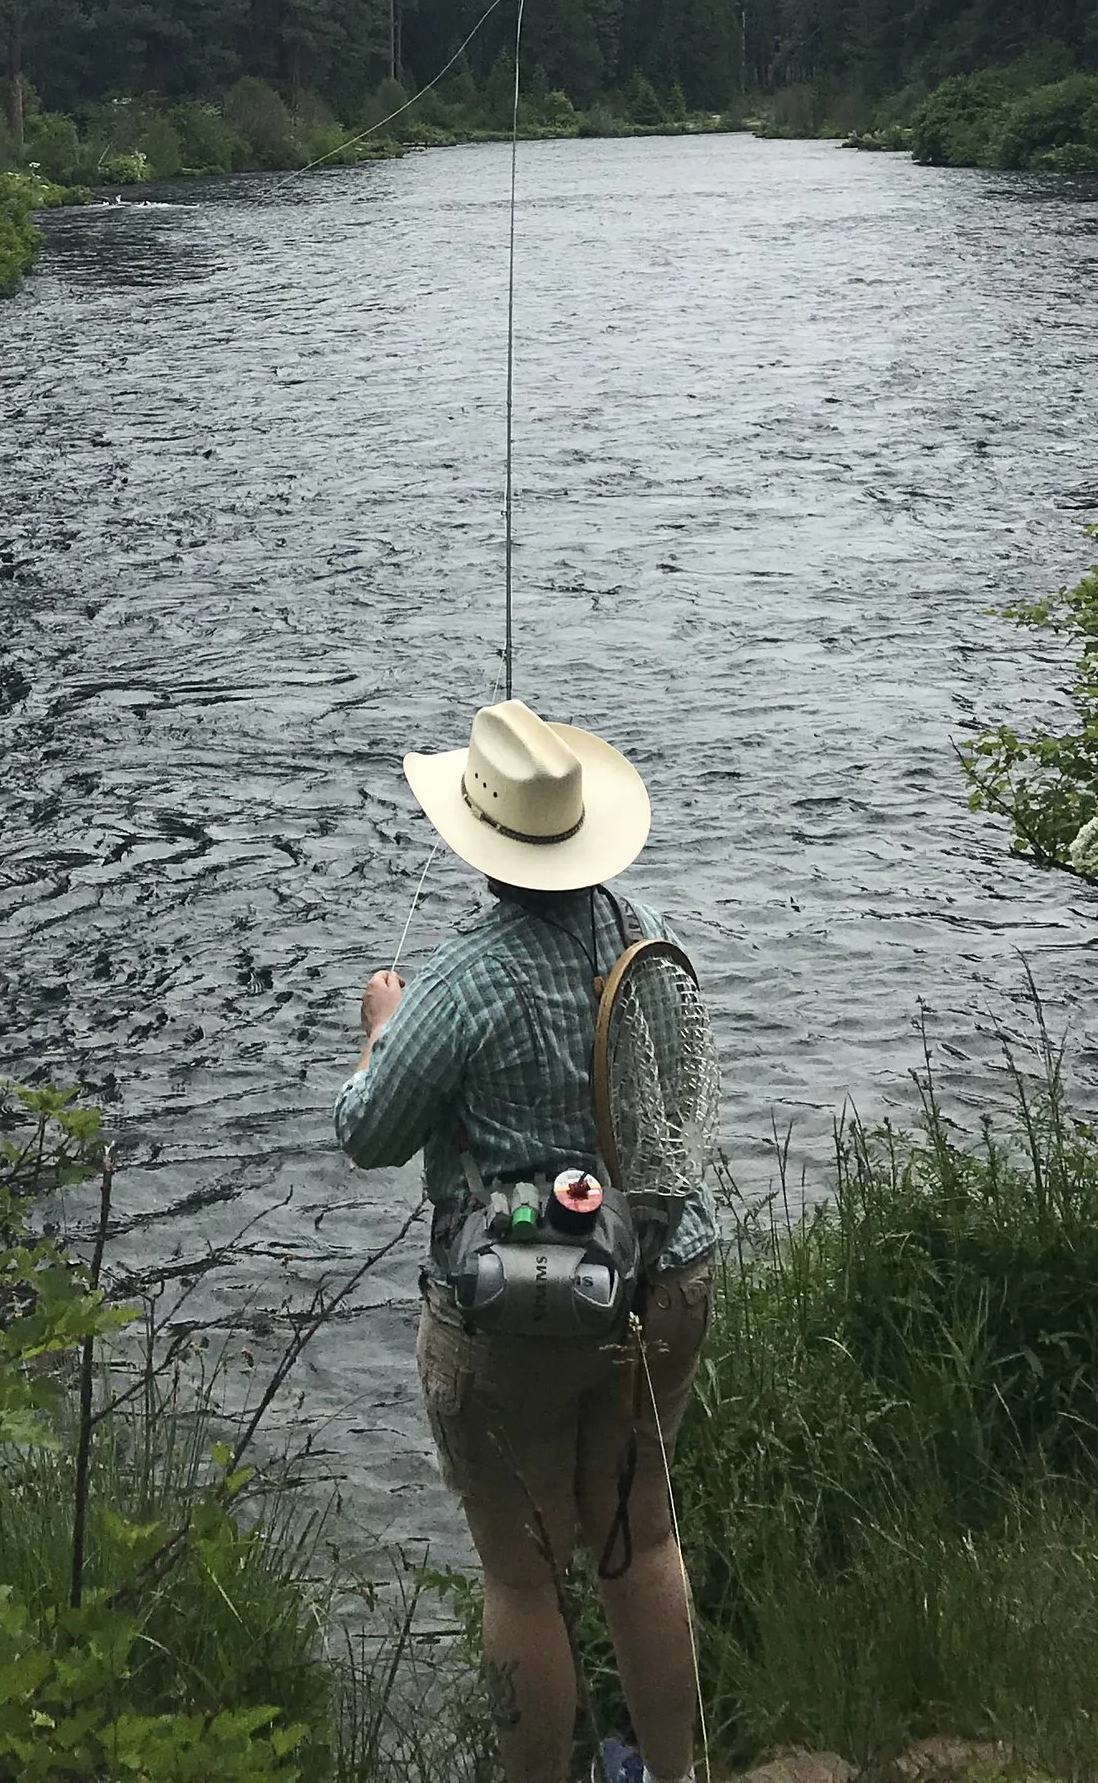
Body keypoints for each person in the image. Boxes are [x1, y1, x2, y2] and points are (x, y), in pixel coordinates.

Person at [335, 697, 713, 1783]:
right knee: (640, 1538)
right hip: (665, 1275)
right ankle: (674, 1776)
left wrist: (376, 1036)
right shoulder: (634, 928)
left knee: (522, 1570)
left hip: (517, 1303)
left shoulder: (460, 979)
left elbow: (367, 1134)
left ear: (479, 833)